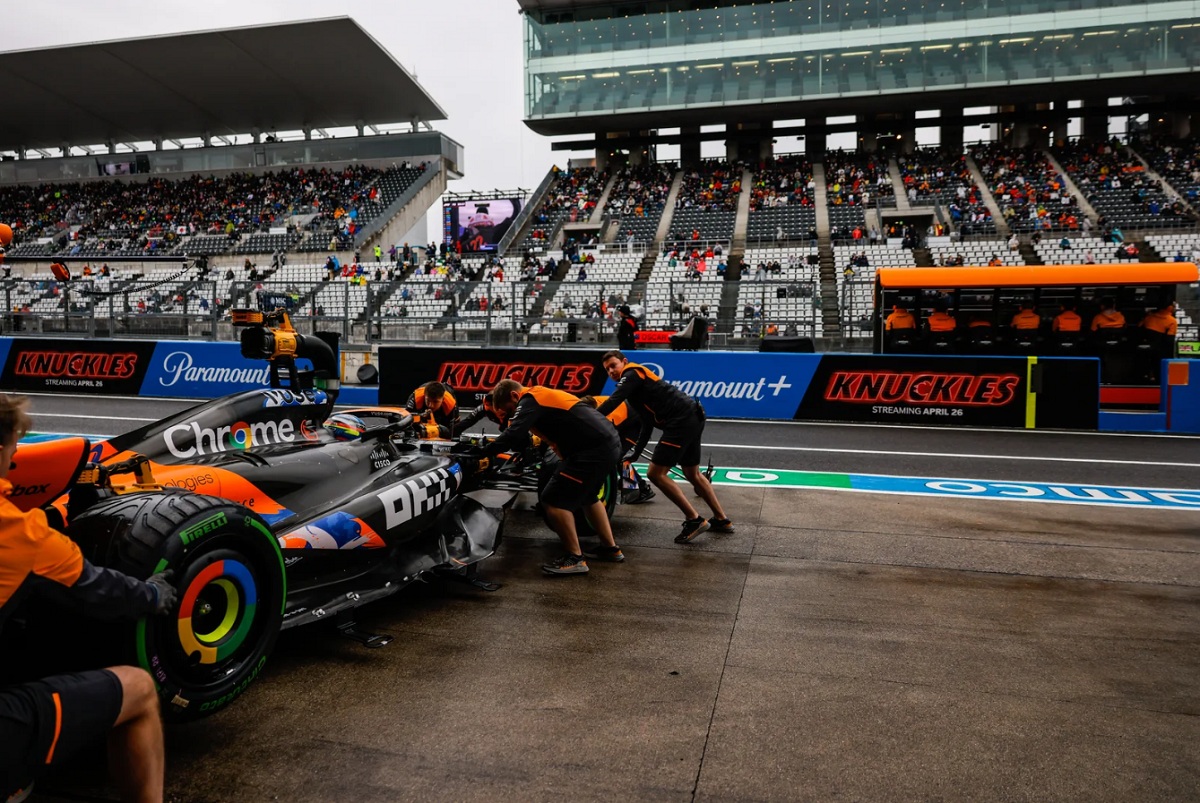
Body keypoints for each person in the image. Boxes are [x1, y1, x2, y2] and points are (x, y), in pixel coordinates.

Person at [0, 395, 176, 803]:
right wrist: (152, 593)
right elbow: (102, 590)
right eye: (12, 450)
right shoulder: (22, 536)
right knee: (141, 688)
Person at [477, 381, 624, 575]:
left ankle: (575, 558)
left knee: (553, 500)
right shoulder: (540, 396)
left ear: (514, 395)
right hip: (604, 445)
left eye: (510, 409)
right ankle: (611, 549)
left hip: (593, 450)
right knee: (588, 496)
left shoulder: (529, 399)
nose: (512, 414)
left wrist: (481, 452)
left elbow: (513, 435)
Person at [597, 351, 731, 543]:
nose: (611, 371)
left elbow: (613, 401)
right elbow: (646, 423)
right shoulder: (635, 390)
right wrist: (636, 453)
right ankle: (721, 519)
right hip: (693, 416)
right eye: (607, 369)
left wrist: (591, 417)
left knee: (655, 474)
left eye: (613, 365)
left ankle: (694, 520)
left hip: (681, 421)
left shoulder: (632, 373)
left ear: (624, 362)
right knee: (693, 474)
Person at [580, 395, 655, 505]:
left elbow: (606, 439)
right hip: (623, 419)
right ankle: (639, 486)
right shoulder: (583, 405)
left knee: (618, 456)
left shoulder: (606, 417)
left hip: (634, 424)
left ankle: (637, 489)